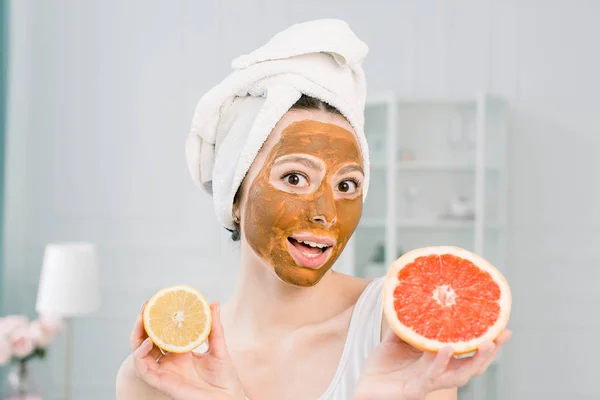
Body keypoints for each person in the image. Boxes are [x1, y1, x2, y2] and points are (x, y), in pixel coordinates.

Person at [116, 19, 511, 400]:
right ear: (234, 196)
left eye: (346, 185)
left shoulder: (398, 334)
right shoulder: (166, 372)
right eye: (294, 178)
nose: (326, 212)